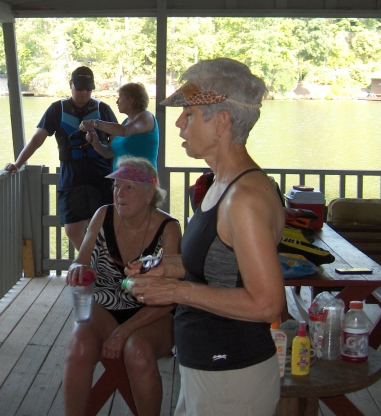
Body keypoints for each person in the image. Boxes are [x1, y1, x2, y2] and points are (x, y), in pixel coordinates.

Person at [125, 58, 286, 416]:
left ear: (221, 122)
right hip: (207, 366)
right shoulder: (220, 184)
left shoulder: (245, 198)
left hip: (233, 378)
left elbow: (267, 304)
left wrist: (176, 292)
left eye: (190, 115)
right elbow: (220, 265)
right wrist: (165, 268)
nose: (179, 123)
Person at [63, 157, 181, 416]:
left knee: (137, 351)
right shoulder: (103, 214)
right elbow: (79, 261)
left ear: (149, 195)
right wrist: (77, 270)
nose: (119, 193)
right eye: (117, 186)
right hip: (104, 308)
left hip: (152, 313)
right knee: (79, 345)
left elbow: (171, 293)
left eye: (129, 187)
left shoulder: (168, 228)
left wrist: (123, 332)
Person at [5, 66, 117, 249]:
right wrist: (18, 163)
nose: (84, 93)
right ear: (70, 84)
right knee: (72, 230)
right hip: (71, 177)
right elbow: (37, 139)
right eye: (79, 88)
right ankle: (90, 260)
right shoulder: (57, 109)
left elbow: (118, 140)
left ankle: (98, 262)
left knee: (102, 229)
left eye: (88, 89)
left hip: (101, 177)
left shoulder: (103, 109)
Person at [79, 82, 158, 170]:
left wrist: (94, 123)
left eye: (119, 98)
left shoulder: (146, 116)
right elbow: (108, 153)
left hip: (142, 177)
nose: (117, 102)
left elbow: (125, 131)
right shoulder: (125, 122)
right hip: (121, 177)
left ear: (130, 101)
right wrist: (96, 143)